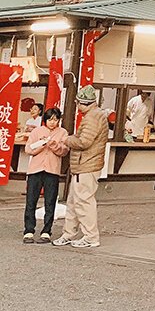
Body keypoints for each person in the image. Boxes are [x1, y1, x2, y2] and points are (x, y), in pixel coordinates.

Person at [53, 89, 110, 250]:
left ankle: (91, 236)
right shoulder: (96, 115)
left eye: (78, 103)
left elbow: (84, 142)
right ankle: (68, 233)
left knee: (84, 201)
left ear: (84, 103)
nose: (76, 105)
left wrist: (67, 139)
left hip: (87, 165)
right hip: (83, 165)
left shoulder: (93, 118)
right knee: (73, 201)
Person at [23, 107, 68, 243]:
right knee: (31, 200)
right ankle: (29, 230)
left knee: (50, 201)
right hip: (35, 170)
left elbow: (64, 151)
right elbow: (28, 149)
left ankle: (46, 231)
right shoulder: (37, 131)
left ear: (59, 120)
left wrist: (53, 145)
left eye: (55, 120)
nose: (52, 123)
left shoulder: (63, 133)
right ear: (45, 120)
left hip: (52, 171)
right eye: (50, 120)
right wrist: (42, 145)